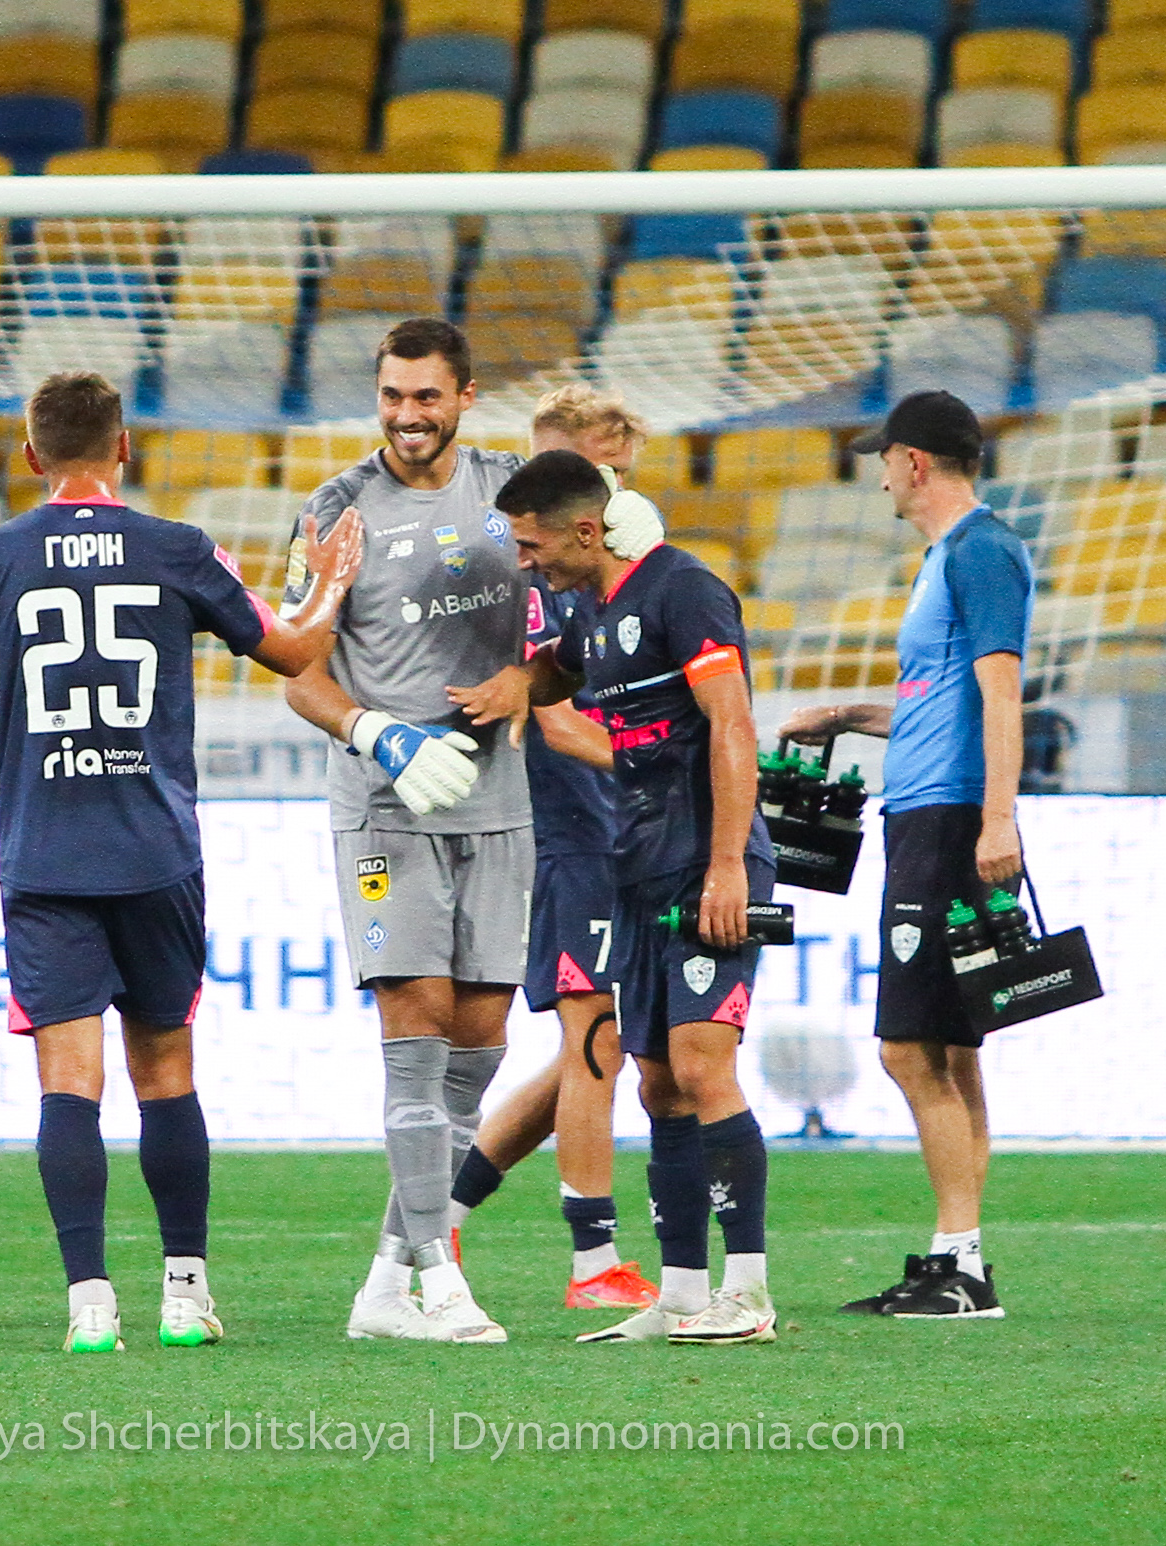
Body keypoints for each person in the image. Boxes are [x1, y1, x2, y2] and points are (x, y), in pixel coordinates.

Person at [0, 371, 361, 1353]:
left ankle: (89, 1303)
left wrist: (8, 677)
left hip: (44, 851)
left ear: (31, 455)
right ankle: (185, 1294)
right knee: (165, 1071)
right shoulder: (178, 547)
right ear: (124, 446)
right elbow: (294, 653)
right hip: (155, 849)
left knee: (67, 1081)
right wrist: (330, 580)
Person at [465, 449, 780, 1346]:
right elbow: (558, 672)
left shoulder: (684, 590)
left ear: (584, 530)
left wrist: (727, 864)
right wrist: (518, 683)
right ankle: (680, 1294)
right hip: (636, 869)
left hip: (705, 864)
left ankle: (748, 1293)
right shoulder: (596, 611)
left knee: (703, 1063)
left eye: (532, 546)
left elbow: (731, 723)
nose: (525, 562)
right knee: (657, 1082)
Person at [279, 318, 527, 1343]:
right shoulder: (336, 510)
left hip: (500, 801)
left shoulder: (512, 493)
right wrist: (374, 732)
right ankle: (439, 1280)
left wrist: (528, 680)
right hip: (388, 806)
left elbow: (577, 617)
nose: (407, 415)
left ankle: (385, 1282)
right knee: (416, 1029)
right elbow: (297, 668)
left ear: (465, 397)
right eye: (392, 395)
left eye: (426, 396)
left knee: (479, 1045)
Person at [779, 390, 1032, 1320]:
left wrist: (995, 821)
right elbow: (944, 700)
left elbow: (1002, 696)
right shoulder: (948, 557)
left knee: (907, 1048)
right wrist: (851, 715)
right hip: (928, 813)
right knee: (951, 1049)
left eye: (884, 457)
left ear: (914, 463)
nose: (879, 473)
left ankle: (959, 1264)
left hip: (948, 821)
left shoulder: (979, 552)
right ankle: (958, 1259)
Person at [443, 384, 664, 1310]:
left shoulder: (618, 570)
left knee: (598, 1043)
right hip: (573, 831)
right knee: (595, 1037)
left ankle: (436, 1216)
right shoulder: (532, 578)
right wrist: (665, 758)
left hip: (632, 829)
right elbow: (553, 714)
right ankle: (593, 1264)